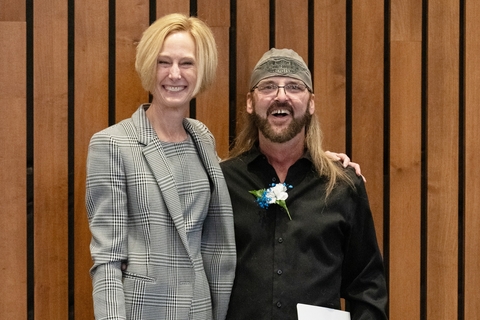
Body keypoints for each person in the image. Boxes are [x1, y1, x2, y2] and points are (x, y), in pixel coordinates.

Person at [85, 13, 236, 320]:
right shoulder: (112, 144)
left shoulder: (202, 138)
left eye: (187, 63)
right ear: (148, 66)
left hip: (202, 310)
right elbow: (108, 260)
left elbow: (243, 174)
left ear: (201, 69)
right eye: (163, 62)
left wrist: (315, 158)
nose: (174, 74)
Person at [220, 48, 388, 319]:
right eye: (268, 86)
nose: (281, 96)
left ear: (311, 103)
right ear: (251, 102)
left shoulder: (343, 185)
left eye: (294, 87)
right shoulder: (222, 182)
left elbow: (366, 285)